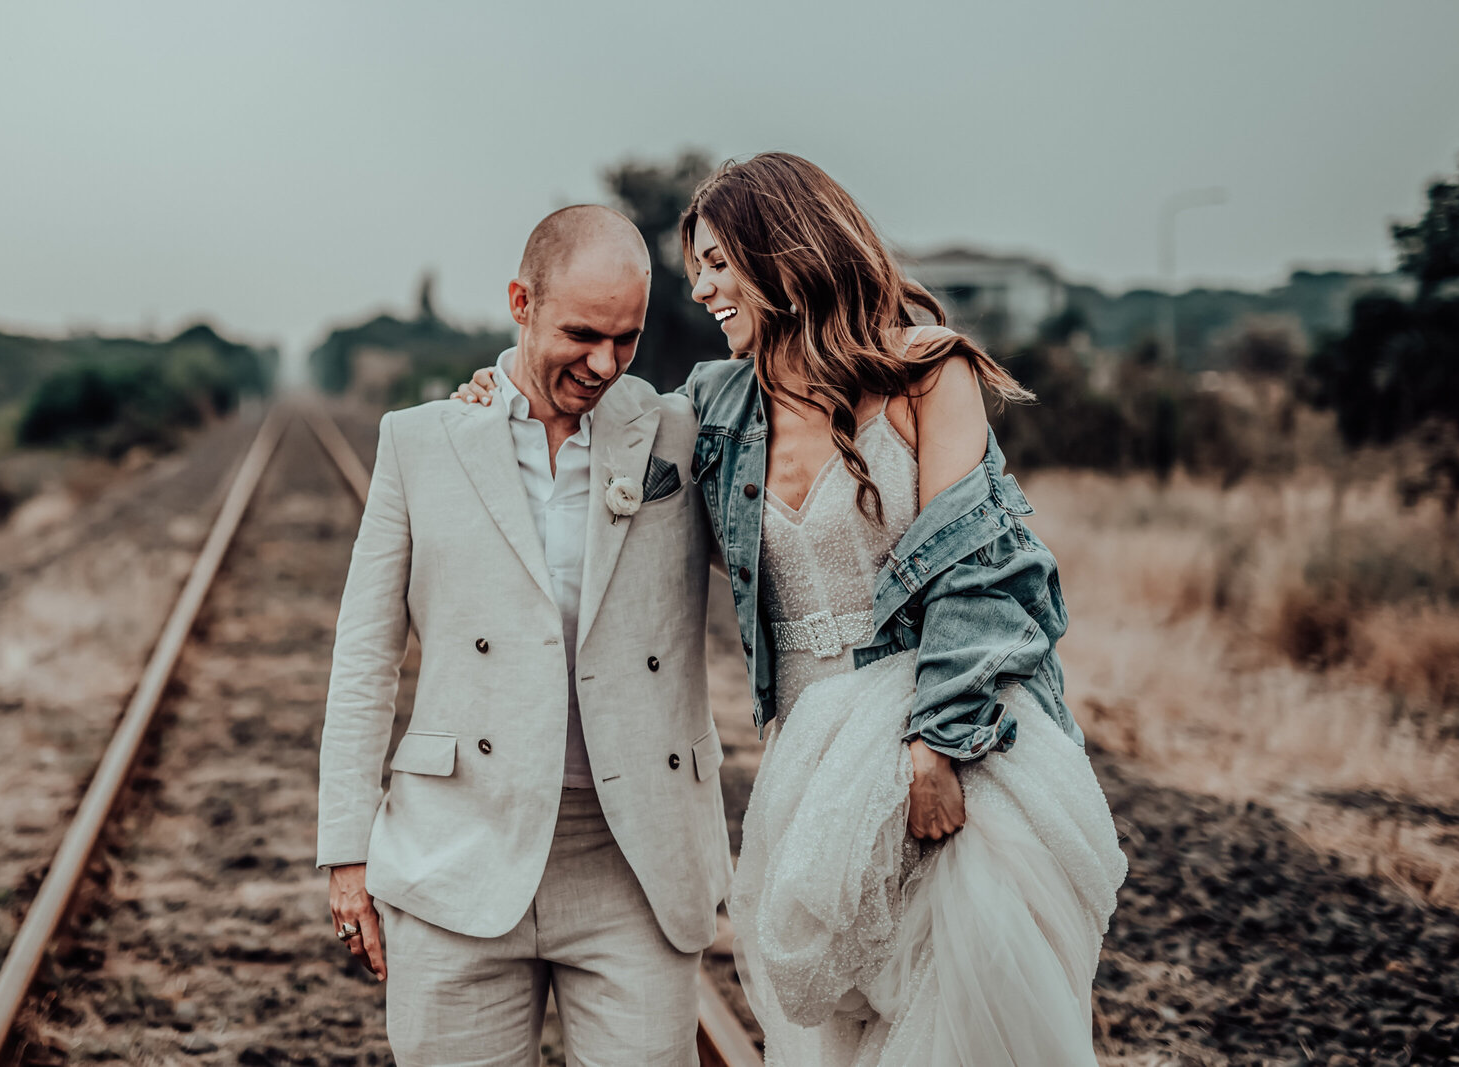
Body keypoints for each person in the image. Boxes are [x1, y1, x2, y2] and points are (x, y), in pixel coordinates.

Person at [459, 153, 1127, 1064]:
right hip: (810, 760)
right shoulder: (714, 404)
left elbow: (983, 572)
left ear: (786, 250)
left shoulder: (927, 374)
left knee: (953, 1018)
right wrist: (496, 392)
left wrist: (938, 742)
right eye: (696, 267)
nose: (702, 288)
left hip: (950, 733)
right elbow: (586, 427)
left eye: (719, 262)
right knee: (838, 1025)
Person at [317, 204, 731, 1067]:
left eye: (626, 339)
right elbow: (365, 656)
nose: (604, 364)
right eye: (581, 333)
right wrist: (347, 854)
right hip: (456, 852)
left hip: (634, 863)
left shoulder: (677, 436)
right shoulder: (418, 443)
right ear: (521, 301)